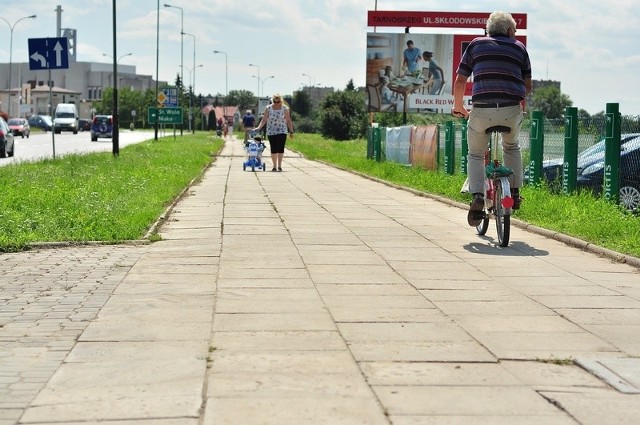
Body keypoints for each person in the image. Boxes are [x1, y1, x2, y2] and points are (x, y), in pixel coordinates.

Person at [451, 10, 532, 227]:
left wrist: (458, 106)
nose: (514, 34)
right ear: (508, 30)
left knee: (476, 154)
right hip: (511, 110)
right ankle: (513, 193)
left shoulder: (476, 45)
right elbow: (528, 86)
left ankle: (477, 195)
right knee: (512, 147)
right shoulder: (519, 48)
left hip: (482, 110)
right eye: (514, 31)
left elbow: (460, 81)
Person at [253, 94, 294, 172]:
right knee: (273, 148)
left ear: (280, 101)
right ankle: (274, 166)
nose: (276, 103)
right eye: (274, 101)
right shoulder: (268, 108)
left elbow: (288, 120)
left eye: (278, 102)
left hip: (282, 130)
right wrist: (258, 128)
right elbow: (264, 119)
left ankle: (280, 166)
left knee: (280, 148)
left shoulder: (285, 108)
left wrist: (291, 131)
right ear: (273, 101)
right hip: (271, 131)